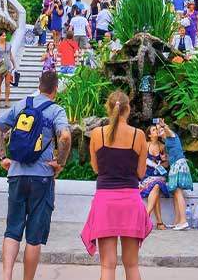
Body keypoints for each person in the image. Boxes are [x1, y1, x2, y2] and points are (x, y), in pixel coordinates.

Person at [0, 72, 72, 280]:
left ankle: (7, 275)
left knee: (12, 230)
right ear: (55, 89)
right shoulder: (56, 110)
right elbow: (65, 136)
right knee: (34, 237)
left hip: (17, 173)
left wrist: (2, 158)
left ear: (39, 85)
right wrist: (60, 163)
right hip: (42, 177)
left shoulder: (21, 105)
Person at [80, 92, 151, 279]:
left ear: (108, 108)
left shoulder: (97, 134)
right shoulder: (139, 135)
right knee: (132, 265)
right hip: (130, 201)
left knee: (107, 266)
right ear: (127, 109)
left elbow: (96, 169)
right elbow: (141, 173)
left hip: (105, 202)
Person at [157, 120, 192, 230]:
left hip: (178, 165)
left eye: (161, 130)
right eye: (158, 130)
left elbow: (168, 131)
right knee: (177, 193)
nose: (160, 131)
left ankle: (183, 221)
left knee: (177, 192)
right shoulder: (168, 141)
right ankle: (177, 221)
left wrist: (164, 126)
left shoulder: (172, 135)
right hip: (176, 165)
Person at [140, 125, 170, 230]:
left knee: (157, 183)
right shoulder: (145, 145)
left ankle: (145, 217)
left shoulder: (162, 146)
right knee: (156, 187)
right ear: (149, 135)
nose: (156, 131)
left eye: (156, 129)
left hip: (159, 175)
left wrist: (162, 162)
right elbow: (140, 161)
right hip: (147, 176)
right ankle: (159, 222)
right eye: (153, 130)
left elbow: (167, 164)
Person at [0, 32, 17, 110]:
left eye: (5, 35)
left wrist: (14, 64)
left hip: (8, 66)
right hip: (0, 67)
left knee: (7, 84)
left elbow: (10, 55)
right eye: (3, 36)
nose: (4, 37)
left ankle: (7, 101)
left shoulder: (9, 45)